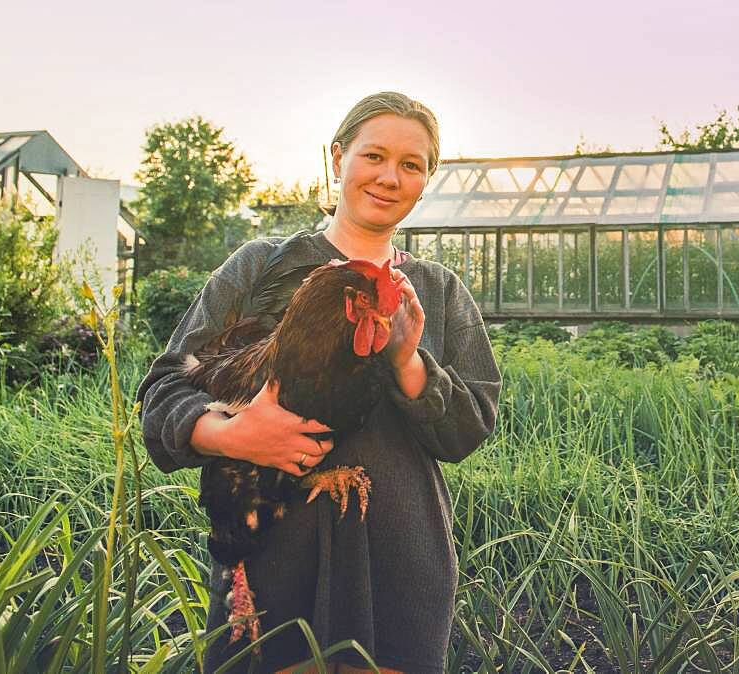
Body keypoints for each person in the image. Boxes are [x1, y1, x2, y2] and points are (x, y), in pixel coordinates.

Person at [135, 91, 502, 674]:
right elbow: (163, 392)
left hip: (398, 567)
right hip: (270, 564)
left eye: (411, 165)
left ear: (427, 179)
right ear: (338, 159)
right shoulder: (260, 265)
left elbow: (471, 426)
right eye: (373, 155)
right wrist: (230, 434)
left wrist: (409, 365)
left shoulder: (439, 290)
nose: (389, 176)